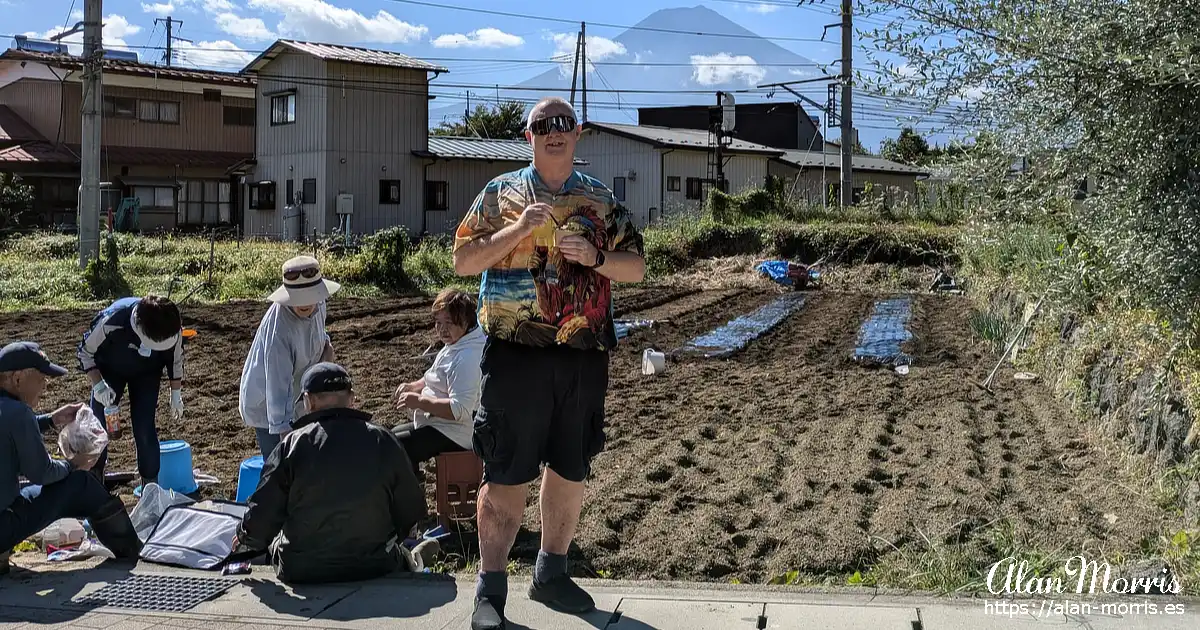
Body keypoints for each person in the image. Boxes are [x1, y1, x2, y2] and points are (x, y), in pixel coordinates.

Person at [452, 96, 646, 629]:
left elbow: (638, 268)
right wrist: (516, 231)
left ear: (577, 133)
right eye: (543, 126)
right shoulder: (499, 193)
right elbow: (463, 261)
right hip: (516, 355)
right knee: (506, 470)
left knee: (570, 465)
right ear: (528, 134)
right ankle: (490, 593)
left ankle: (551, 572)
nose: (553, 133)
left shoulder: (601, 200)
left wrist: (597, 258)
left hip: (583, 355)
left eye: (562, 125)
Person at [229, 362, 426, 584]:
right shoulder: (384, 440)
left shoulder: (292, 445)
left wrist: (243, 539)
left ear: (308, 401)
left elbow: (263, 515)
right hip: (375, 563)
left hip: (302, 569)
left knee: (276, 543)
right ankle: (410, 556)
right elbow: (411, 509)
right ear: (352, 399)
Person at [1, 342, 142, 575]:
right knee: (81, 484)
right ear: (17, 379)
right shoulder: (19, 413)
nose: (45, 386)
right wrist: (73, 464)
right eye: (41, 378)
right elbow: (42, 473)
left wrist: (50, 420)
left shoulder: (9, 411)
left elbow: (8, 432)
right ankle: (132, 553)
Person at [78, 294, 185, 486]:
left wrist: (175, 392)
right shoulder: (112, 321)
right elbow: (85, 352)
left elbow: (176, 360)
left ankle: (150, 484)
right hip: (109, 371)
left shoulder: (171, 328)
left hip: (147, 374)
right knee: (98, 423)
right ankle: (94, 478)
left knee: (145, 427)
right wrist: (98, 384)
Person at [239, 255, 338, 459]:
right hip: (267, 405)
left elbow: (319, 336)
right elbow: (276, 386)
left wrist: (326, 356)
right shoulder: (280, 331)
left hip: (297, 395)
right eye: (299, 298)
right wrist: (285, 433)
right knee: (279, 464)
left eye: (310, 296)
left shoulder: (319, 306)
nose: (305, 304)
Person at [393, 288, 486, 478]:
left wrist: (420, 402)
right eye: (438, 323)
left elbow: (459, 410)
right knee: (390, 437)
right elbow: (436, 376)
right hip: (440, 424)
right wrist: (415, 386)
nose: (442, 329)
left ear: (466, 321)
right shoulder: (456, 343)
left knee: (398, 447)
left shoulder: (467, 357)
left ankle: (411, 498)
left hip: (457, 432)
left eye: (449, 323)